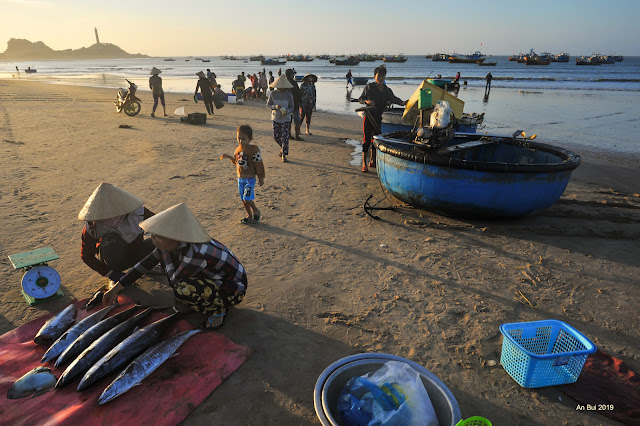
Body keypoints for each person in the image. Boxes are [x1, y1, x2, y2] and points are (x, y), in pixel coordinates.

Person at [102, 203, 247, 329]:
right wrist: (118, 287)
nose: (153, 240)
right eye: (152, 235)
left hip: (231, 290)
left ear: (175, 237)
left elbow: (175, 280)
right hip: (212, 277)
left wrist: (164, 255)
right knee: (168, 266)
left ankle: (219, 308)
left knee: (182, 289)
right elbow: (145, 264)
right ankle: (202, 300)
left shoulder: (196, 253)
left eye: (158, 237)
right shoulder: (176, 244)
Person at [79, 183, 155, 283]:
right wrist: (110, 273)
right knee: (111, 241)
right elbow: (86, 255)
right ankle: (117, 274)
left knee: (156, 242)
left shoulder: (137, 213)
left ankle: (146, 265)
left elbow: (160, 226)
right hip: (113, 260)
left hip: (137, 252)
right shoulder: (93, 226)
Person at [359, 65, 407, 172]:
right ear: (374, 76)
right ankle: (364, 163)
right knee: (366, 140)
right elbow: (361, 99)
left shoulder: (387, 90)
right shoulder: (370, 87)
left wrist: (403, 102)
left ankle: (373, 160)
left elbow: (394, 99)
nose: (380, 78)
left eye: (383, 76)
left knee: (376, 139)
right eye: (378, 76)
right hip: (369, 116)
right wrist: (367, 101)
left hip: (378, 117)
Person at [221, 125, 265, 223]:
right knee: (243, 200)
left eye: (243, 139)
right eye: (238, 138)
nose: (241, 141)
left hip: (250, 179)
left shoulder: (254, 150)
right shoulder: (238, 149)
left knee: (247, 198)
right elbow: (237, 162)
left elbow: (258, 164)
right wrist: (230, 157)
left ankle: (256, 210)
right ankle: (249, 215)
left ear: (250, 139)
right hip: (240, 178)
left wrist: (261, 177)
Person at [266, 74, 295, 162]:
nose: (280, 88)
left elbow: (292, 107)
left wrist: (287, 111)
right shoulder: (273, 94)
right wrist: (275, 106)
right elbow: (268, 105)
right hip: (275, 118)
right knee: (276, 136)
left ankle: (284, 155)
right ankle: (282, 148)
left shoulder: (289, 94)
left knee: (285, 137)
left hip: (286, 118)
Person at [285, 68, 304, 141]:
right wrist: (300, 102)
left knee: (288, 120)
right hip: (294, 104)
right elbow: (298, 93)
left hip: (286, 104)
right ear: (290, 75)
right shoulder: (293, 82)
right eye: (292, 74)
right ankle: (297, 136)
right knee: (297, 120)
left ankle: (289, 134)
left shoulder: (284, 83)